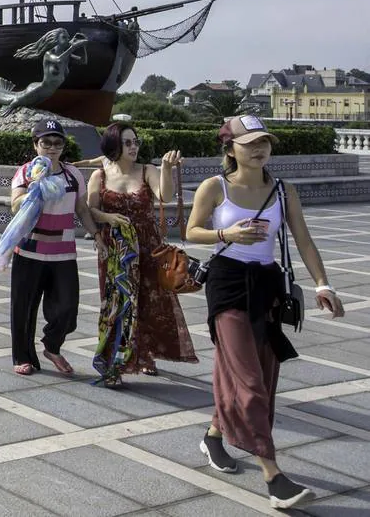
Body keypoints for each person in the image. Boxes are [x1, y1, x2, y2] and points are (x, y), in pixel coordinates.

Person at [185, 115, 345, 510]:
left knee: (258, 373)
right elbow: (190, 230)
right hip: (227, 285)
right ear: (229, 149)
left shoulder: (283, 191)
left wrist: (323, 284)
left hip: (268, 286)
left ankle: (214, 436)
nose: (259, 149)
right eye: (249, 143)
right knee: (248, 382)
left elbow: (304, 240)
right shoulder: (215, 186)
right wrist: (227, 234)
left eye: (264, 142)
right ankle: (273, 476)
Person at [87, 123, 195, 387]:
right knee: (116, 306)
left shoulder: (148, 170)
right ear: (114, 145)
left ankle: (144, 356)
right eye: (127, 143)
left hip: (147, 248)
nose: (134, 147)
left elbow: (165, 196)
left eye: (136, 142)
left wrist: (167, 168)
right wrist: (108, 218)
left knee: (148, 303)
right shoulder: (99, 176)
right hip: (117, 250)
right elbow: (90, 210)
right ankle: (114, 363)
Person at [8, 117, 108, 376]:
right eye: (46, 142)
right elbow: (15, 206)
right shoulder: (25, 172)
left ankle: (52, 345)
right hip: (29, 251)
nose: (52, 148)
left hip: (63, 253)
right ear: (36, 145)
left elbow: (82, 209)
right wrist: (34, 187)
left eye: (57, 143)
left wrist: (96, 234)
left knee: (67, 307)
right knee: (24, 308)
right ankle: (23, 356)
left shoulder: (72, 174)